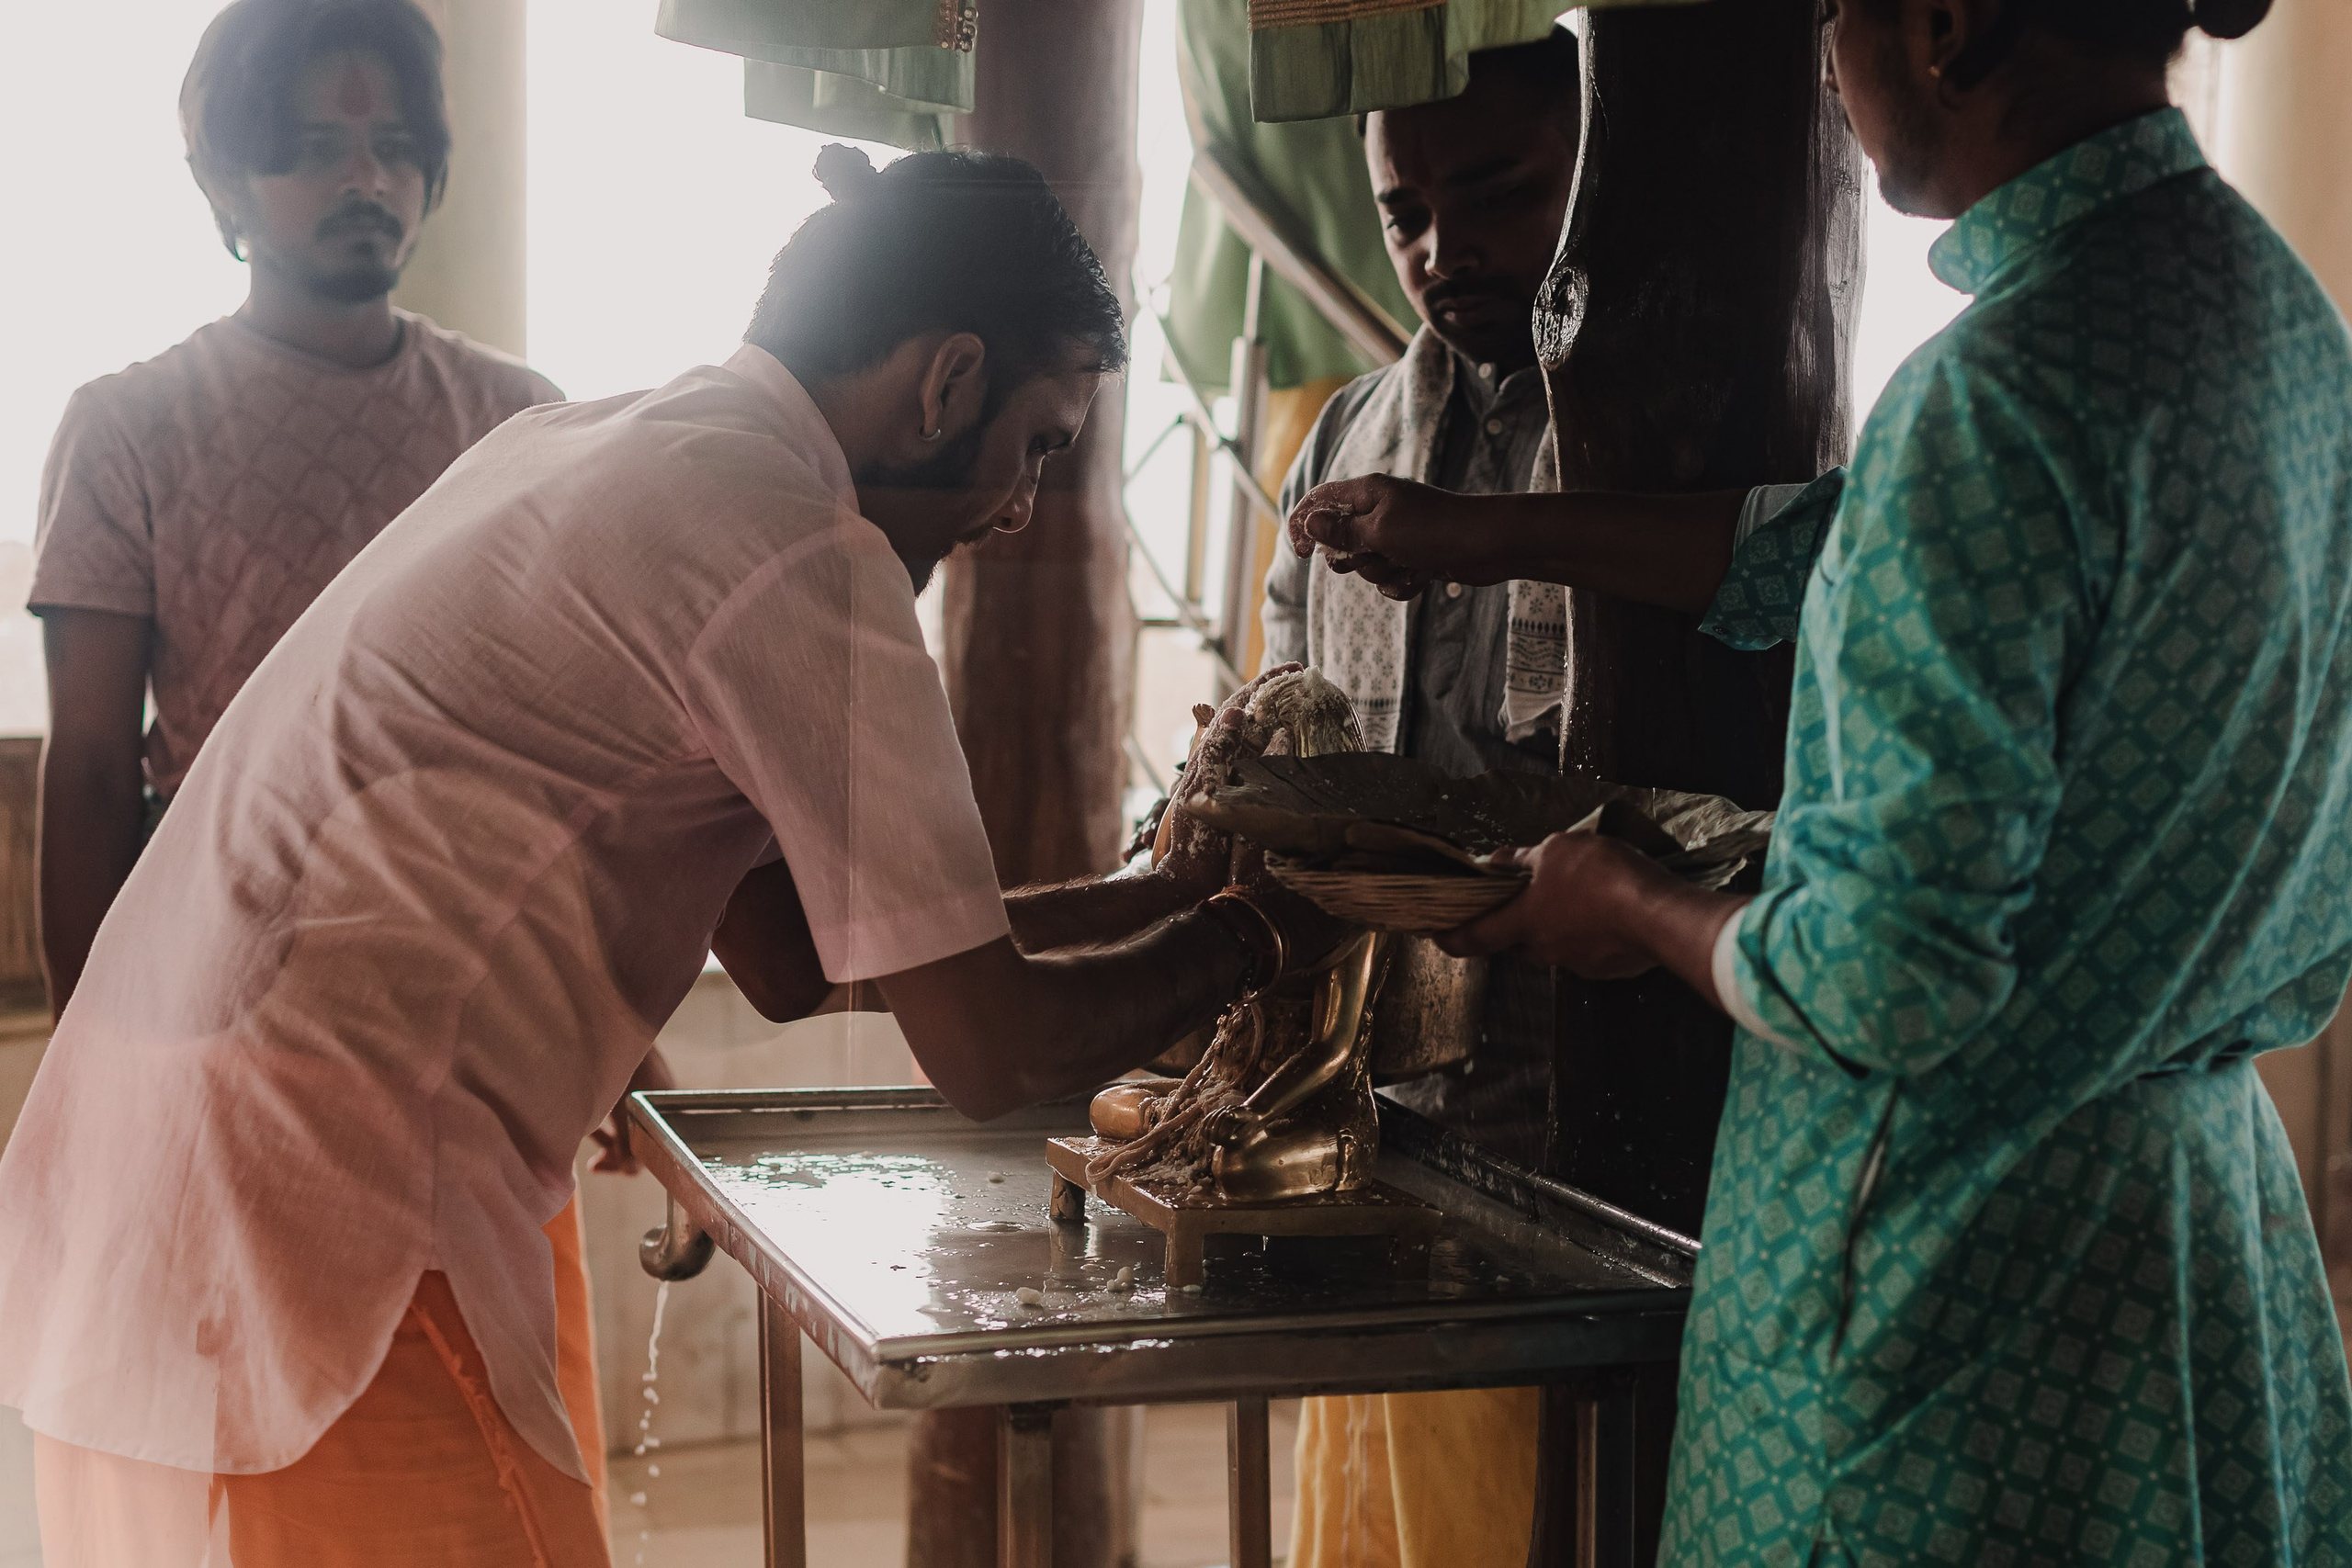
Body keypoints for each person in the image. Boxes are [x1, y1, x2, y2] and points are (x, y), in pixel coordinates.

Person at [0, 146, 1318, 1566]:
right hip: (326, 1235)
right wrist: (1266, 933)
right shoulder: (798, 550)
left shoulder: (609, 441)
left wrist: (1158, 892)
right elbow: (988, 1049)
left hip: (158, 1196)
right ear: (945, 384)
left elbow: (791, 954)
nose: (1020, 507)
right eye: (1041, 445)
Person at [1304, 0, 2352, 1560]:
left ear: (1943, 29)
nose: (1829, 72)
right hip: (2187, 1231)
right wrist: (1479, 533)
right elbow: (1828, 545)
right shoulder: (2270, 324)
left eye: (1836, 22)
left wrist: (1636, 902)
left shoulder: (1990, 398)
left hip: (1943, 1272)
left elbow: (1883, 978)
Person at [1256, 31, 1578, 1568]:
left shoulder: (1680, 436)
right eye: (1404, 215)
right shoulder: (1340, 438)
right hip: (1374, 1087)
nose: (1445, 252)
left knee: (1530, 1503)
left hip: (1582, 1092)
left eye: (1504, 193)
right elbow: (1284, 702)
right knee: (1373, 1508)